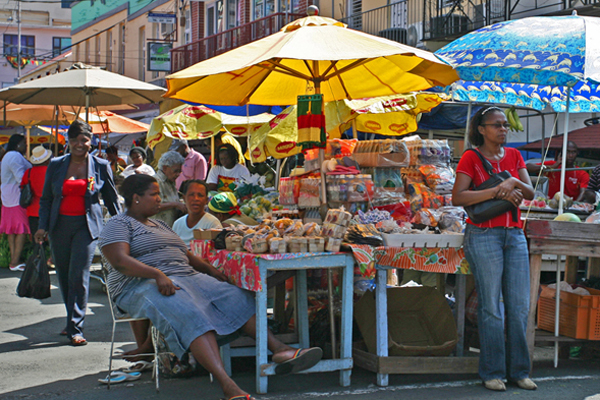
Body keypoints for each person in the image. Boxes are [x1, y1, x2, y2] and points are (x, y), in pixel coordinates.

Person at [99, 174, 322, 400]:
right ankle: (228, 385)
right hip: (139, 283)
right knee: (190, 312)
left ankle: (279, 349)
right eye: (154, 195)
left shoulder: (160, 224)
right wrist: (156, 274)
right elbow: (119, 260)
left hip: (184, 276)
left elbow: (184, 254)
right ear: (136, 198)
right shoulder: (118, 224)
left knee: (234, 296)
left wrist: (212, 271)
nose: (159, 199)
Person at [452, 107, 536, 392]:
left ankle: (520, 371)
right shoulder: (471, 157)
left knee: (519, 306)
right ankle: (492, 372)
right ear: (482, 129)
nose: (503, 130)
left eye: (504, 126)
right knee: (491, 306)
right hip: (483, 234)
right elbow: (459, 196)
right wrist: (498, 189)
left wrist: (512, 181)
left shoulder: (514, 156)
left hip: (514, 235)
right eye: (497, 125)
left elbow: (531, 192)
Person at [34, 120, 120, 346]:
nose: (80, 144)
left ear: (91, 141)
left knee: (79, 275)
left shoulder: (101, 165)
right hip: (58, 226)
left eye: (84, 140)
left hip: (87, 227)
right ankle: (71, 319)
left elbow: (111, 199)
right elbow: (46, 199)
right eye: (75, 140)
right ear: (68, 142)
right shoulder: (56, 164)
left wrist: (121, 225)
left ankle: (76, 327)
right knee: (63, 276)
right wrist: (42, 227)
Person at [0, 134, 32, 271]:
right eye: (25, 143)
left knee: (11, 230)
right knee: (21, 229)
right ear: (19, 144)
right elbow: (21, 177)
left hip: (7, 197)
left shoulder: (7, 156)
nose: (26, 147)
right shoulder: (15, 156)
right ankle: (15, 261)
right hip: (16, 197)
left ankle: (14, 261)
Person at [172, 180, 222, 247]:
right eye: (191, 195)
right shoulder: (177, 224)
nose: (196, 199)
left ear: (206, 200)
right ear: (184, 198)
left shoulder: (212, 224)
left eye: (200, 195)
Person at [21, 146, 52, 236]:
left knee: (36, 240)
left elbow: (23, 188)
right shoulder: (50, 172)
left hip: (32, 210)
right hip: (49, 210)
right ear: (47, 160)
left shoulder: (28, 173)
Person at [153, 150, 186, 227]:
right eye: (175, 171)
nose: (178, 174)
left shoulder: (170, 181)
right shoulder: (156, 182)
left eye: (179, 171)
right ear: (165, 168)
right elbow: (153, 207)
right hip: (158, 229)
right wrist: (175, 204)